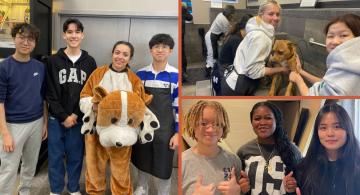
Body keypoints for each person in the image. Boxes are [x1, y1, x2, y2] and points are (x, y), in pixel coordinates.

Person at [80, 41, 143, 194]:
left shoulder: (134, 80)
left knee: (121, 172)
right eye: (117, 52)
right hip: (96, 130)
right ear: (112, 53)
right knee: (94, 169)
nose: (120, 57)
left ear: (130, 58)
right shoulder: (98, 74)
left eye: (125, 54)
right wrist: (93, 105)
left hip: (123, 133)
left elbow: (139, 107)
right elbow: (84, 96)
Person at [46, 18, 97, 195]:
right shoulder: (53, 61)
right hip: (55, 120)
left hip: (79, 120)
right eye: (69, 32)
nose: (73, 35)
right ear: (64, 35)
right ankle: (55, 190)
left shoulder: (90, 62)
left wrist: (75, 115)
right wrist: (63, 116)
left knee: (76, 157)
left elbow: (90, 93)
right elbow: (50, 92)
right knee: (55, 158)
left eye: (77, 32)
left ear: (82, 35)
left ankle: (74, 188)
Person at [0, 23, 47, 195]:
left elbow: (43, 98)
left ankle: (24, 191)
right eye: (22, 37)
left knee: (30, 163)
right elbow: (0, 103)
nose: (26, 42)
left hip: (36, 122)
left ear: (35, 43)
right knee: (9, 167)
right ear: (14, 38)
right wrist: (5, 133)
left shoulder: (40, 67)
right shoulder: (4, 67)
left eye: (30, 39)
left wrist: (44, 123)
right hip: (13, 125)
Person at [132, 33, 179, 195]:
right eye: (156, 47)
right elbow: (135, 103)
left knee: (164, 164)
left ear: (170, 51)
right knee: (142, 158)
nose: (160, 50)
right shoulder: (140, 74)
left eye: (164, 47)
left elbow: (178, 107)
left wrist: (178, 133)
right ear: (151, 50)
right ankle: (142, 188)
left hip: (166, 130)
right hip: (143, 127)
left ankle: (163, 192)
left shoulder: (175, 75)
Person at [284, 103, 360, 195]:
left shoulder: (357, 165)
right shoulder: (302, 168)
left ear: (348, 130)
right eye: (323, 128)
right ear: (317, 132)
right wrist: (290, 191)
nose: (330, 133)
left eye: (337, 127)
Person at [222, 0, 289, 96]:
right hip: (237, 87)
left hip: (232, 80)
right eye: (271, 14)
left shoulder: (259, 29)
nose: (275, 18)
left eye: (278, 14)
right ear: (261, 15)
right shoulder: (260, 36)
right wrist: (281, 69)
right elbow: (253, 71)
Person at [237, 101, 301, 194]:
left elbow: (302, 185)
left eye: (268, 118)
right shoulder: (243, 151)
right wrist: (241, 189)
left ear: (277, 121)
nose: (262, 122)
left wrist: (293, 188)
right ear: (252, 122)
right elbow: (237, 187)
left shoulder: (293, 151)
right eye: (257, 118)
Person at [289, 14, 360, 96]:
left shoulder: (348, 72)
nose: (335, 41)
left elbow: (314, 97)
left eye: (344, 35)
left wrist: (298, 79)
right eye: (330, 36)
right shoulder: (344, 67)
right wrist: (301, 71)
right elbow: (325, 84)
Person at [182, 100, 242, 195]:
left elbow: (240, 188)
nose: (210, 130)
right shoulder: (183, 161)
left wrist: (238, 192)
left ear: (223, 128)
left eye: (217, 124)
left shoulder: (234, 160)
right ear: (192, 126)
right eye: (203, 124)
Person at [212, 14, 253, 95]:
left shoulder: (238, 36)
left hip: (225, 68)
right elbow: (241, 63)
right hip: (224, 70)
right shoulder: (236, 40)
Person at [205, 5, 235, 77]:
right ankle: (209, 72)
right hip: (211, 37)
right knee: (211, 54)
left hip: (213, 35)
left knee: (213, 55)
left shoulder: (221, 14)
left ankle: (212, 71)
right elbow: (227, 34)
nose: (233, 15)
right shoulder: (223, 20)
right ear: (229, 14)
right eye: (232, 13)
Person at [182, 3, 193, 82]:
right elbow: (190, 18)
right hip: (181, 36)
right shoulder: (183, 10)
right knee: (182, 55)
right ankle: (183, 73)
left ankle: (182, 73)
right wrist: (185, 9)